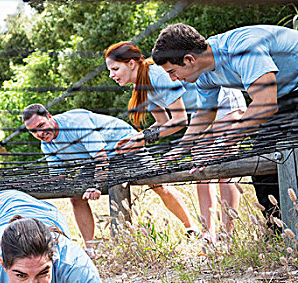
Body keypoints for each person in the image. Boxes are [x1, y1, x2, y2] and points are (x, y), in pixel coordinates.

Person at [151, 23, 298, 222]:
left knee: (291, 155)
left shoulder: (242, 49)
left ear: (189, 59)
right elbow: (204, 116)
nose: (173, 79)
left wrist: (222, 144)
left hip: (286, 94)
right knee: (263, 164)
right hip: (283, 97)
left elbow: (264, 104)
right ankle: (280, 236)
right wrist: (178, 151)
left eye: (172, 71)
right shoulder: (203, 74)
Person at [104, 41, 247, 243]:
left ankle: (227, 236)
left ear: (132, 64)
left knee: (221, 166)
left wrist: (145, 137)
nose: (112, 75)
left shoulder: (157, 75)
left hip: (223, 103)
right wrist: (137, 138)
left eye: (115, 69)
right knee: (199, 170)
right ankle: (208, 234)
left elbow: (180, 121)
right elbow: (162, 123)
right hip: (202, 113)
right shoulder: (141, 85)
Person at [22, 104, 200, 249]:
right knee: (75, 197)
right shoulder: (47, 145)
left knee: (158, 184)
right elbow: (59, 178)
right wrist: (33, 186)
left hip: (124, 147)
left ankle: (191, 228)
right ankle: (90, 248)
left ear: (50, 117)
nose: (39, 134)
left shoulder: (76, 123)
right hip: (92, 161)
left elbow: (101, 157)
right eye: (33, 132)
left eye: (41, 126)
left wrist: (97, 185)